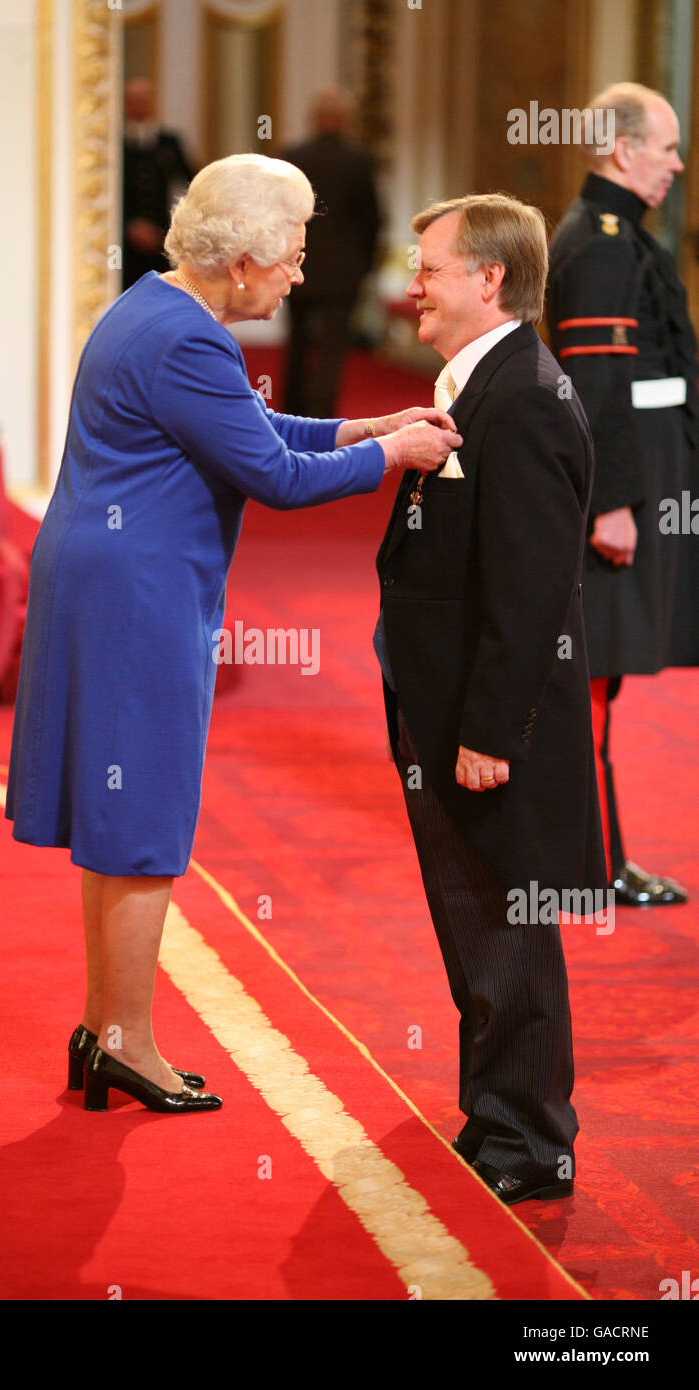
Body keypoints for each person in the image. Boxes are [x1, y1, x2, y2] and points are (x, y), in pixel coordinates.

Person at [6, 153, 461, 1116]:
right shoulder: (189, 343)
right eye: (293, 256)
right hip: (138, 598)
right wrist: (396, 454)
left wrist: (363, 427)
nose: (301, 272)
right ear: (245, 260)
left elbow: (251, 432)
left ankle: (105, 1032)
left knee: (116, 813)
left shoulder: (159, 309)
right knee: (143, 822)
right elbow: (275, 478)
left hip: (104, 578)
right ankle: (127, 1042)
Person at [375, 194, 607, 1204]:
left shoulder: (520, 399)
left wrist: (485, 735)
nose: (411, 285)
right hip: (447, 716)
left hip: (486, 729)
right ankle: (493, 1114)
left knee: (509, 923)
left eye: (427, 267)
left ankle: (533, 1140)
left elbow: (528, 587)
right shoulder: (479, 383)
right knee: (475, 923)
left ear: (488, 279)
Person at [547, 82, 698, 907]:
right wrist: (610, 502)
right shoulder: (602, 242)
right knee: (592, 672)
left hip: (644, 479)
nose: (677, 163)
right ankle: (588, 865)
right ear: (620, 147)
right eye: (666, 147)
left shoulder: (619, 235)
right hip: (624, 487)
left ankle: (598, 859)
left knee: (603, 675)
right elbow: (598, 385)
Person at [281, 87, 381, 416]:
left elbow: (280, 214)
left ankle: (292, 410)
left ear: (315, 118)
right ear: (345, 119)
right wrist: (365, 266)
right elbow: (372, 218)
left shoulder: (293, 156)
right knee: (332, 348)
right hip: (343, 272)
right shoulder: (359, 160)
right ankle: (321, 413)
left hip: (296, 264)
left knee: (297, 342)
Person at [121, 77, 195, 291]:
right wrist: (130, 225)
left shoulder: (169, 143)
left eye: (144, 99)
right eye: (134, 100)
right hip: (123, 245)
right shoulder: (114, 143)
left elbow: (192, 184)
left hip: (161, 239)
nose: (140, 105)